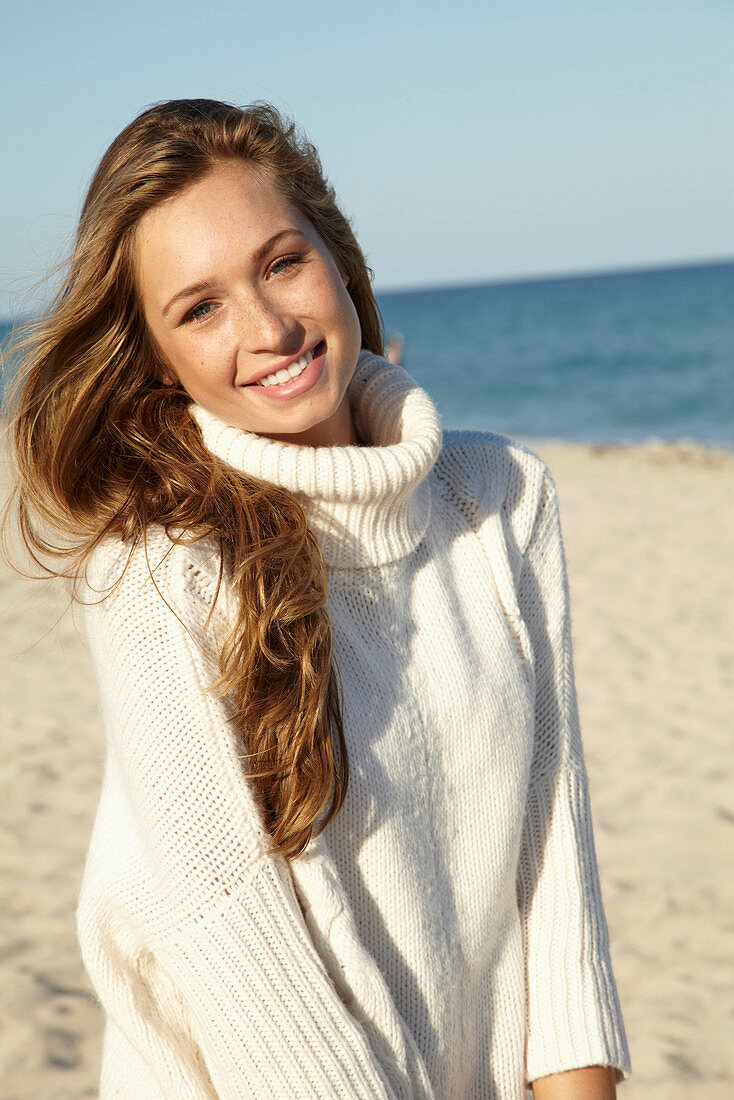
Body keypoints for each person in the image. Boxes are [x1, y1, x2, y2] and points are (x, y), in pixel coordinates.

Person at [6, 98, 631, 1098]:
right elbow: (240, 950)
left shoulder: (502, 498)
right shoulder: (153, 571)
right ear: (156, 361)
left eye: (281, 262)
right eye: (199, 307)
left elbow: (554, 864)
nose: (267, 327)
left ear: (339, 260)